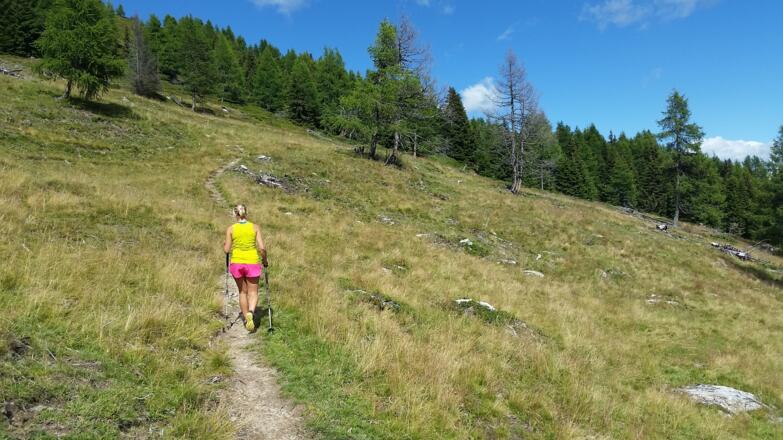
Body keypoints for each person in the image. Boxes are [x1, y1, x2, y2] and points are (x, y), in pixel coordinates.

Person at [224, 204, 268, 331]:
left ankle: (245, 320)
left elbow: (227, 250)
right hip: (252, 262)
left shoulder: (231, 229)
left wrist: (225, 245)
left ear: (235, 214)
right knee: (253, 292)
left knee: (242, 292)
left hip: (237, 262)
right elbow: (262, 248)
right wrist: (264, 260)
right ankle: (251, 312)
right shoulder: (255, 227)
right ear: (246, 213)